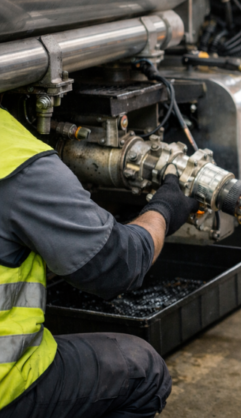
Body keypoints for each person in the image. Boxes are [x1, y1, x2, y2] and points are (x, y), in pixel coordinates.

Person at [0, 104, 200, 418]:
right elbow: (117, 265)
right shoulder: (13, 156)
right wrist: (164, 211)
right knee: (142, 370)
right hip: (5, 389)